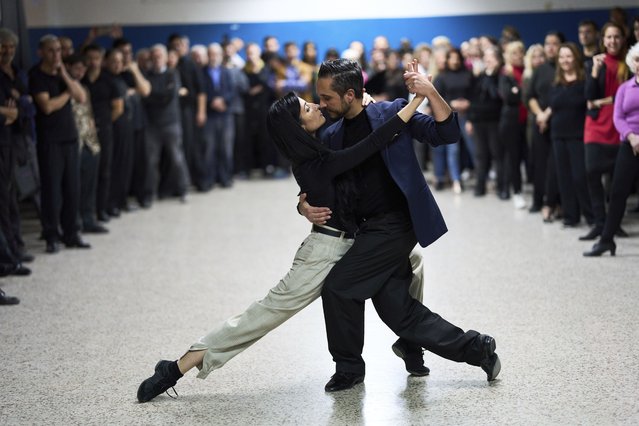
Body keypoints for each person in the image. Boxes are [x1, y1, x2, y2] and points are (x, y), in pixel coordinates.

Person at [137, 74, 429, 404]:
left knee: (413, 260)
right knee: (266, 312)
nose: (317, 105)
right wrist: (416, 103)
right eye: (307, 107)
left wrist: (301, 204)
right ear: (297, 126)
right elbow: (371, 144)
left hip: (354, 241)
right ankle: (176, 368)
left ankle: (409, 340)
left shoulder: (324, 143)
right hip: (324, 250)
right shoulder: (316, 159)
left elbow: (334, 172)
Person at [304, 59, 499, 392]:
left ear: (350, 94)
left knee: (338, 287)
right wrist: (303, 204)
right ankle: (477, 348)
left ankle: (349, 368)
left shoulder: (391, 113)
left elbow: (446, 133)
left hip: (396, 224)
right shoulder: (332, 134)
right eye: (319, 98)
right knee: (399, 311)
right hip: (365, 231)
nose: (322, 104)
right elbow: (321, 180)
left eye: (327, 98)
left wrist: (430, 92)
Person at [29, 35, 90, 253]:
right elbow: (47, 106)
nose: (56, 55)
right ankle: (51, 235)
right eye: (51, 51)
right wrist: (67, 92)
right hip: (50, 141)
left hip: (70, 138)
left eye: (58, 50)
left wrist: (63, 73)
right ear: (41, 52)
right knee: (52, 192)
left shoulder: (63, 73)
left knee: (72, 189)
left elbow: (81, 96)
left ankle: (72, 233)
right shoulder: (36, 75)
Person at [584, 42, 639, 256]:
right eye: (636, 59)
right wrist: (632, 137)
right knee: (617, 192)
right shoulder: (625, 88)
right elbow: (618, 116)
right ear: (632, 62)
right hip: (629, 144)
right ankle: (606, 240)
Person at [580, 22, 629, 241]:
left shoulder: (630, 63)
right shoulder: (596, 62)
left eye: (617, 37)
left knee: (617, 180)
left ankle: (613, 223)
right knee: (591, 173)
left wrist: (603, 101)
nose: (612, 41)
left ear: (623, 39)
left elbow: (626, 94)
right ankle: (600, 223)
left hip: (619, 124)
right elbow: (589, 97)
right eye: (609, 37)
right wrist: (594, 71)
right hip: (595, 125)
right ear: (603, 39)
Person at [547, 43, 593, 228]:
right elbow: (553, 106)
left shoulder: (585, 81)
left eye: (568, 56)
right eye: (562, 57)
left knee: (580, 177)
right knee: (564, 178)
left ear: (575, 58)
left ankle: (591, 217)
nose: (565, 60)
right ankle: (570, 216)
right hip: (558, 135)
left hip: (578, 135)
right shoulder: (556, 82)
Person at [526, 31, 563, 221]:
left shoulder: (564, 67)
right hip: (540, 122)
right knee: (539, 164)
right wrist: (540, 114)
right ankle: (538, 201)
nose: (550, 47)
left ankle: (556, 202)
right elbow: (530, 96)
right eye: (547, 43)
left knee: (556, 165)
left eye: (555, 43)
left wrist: (547, 114)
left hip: (559, 122)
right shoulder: (540, 70)